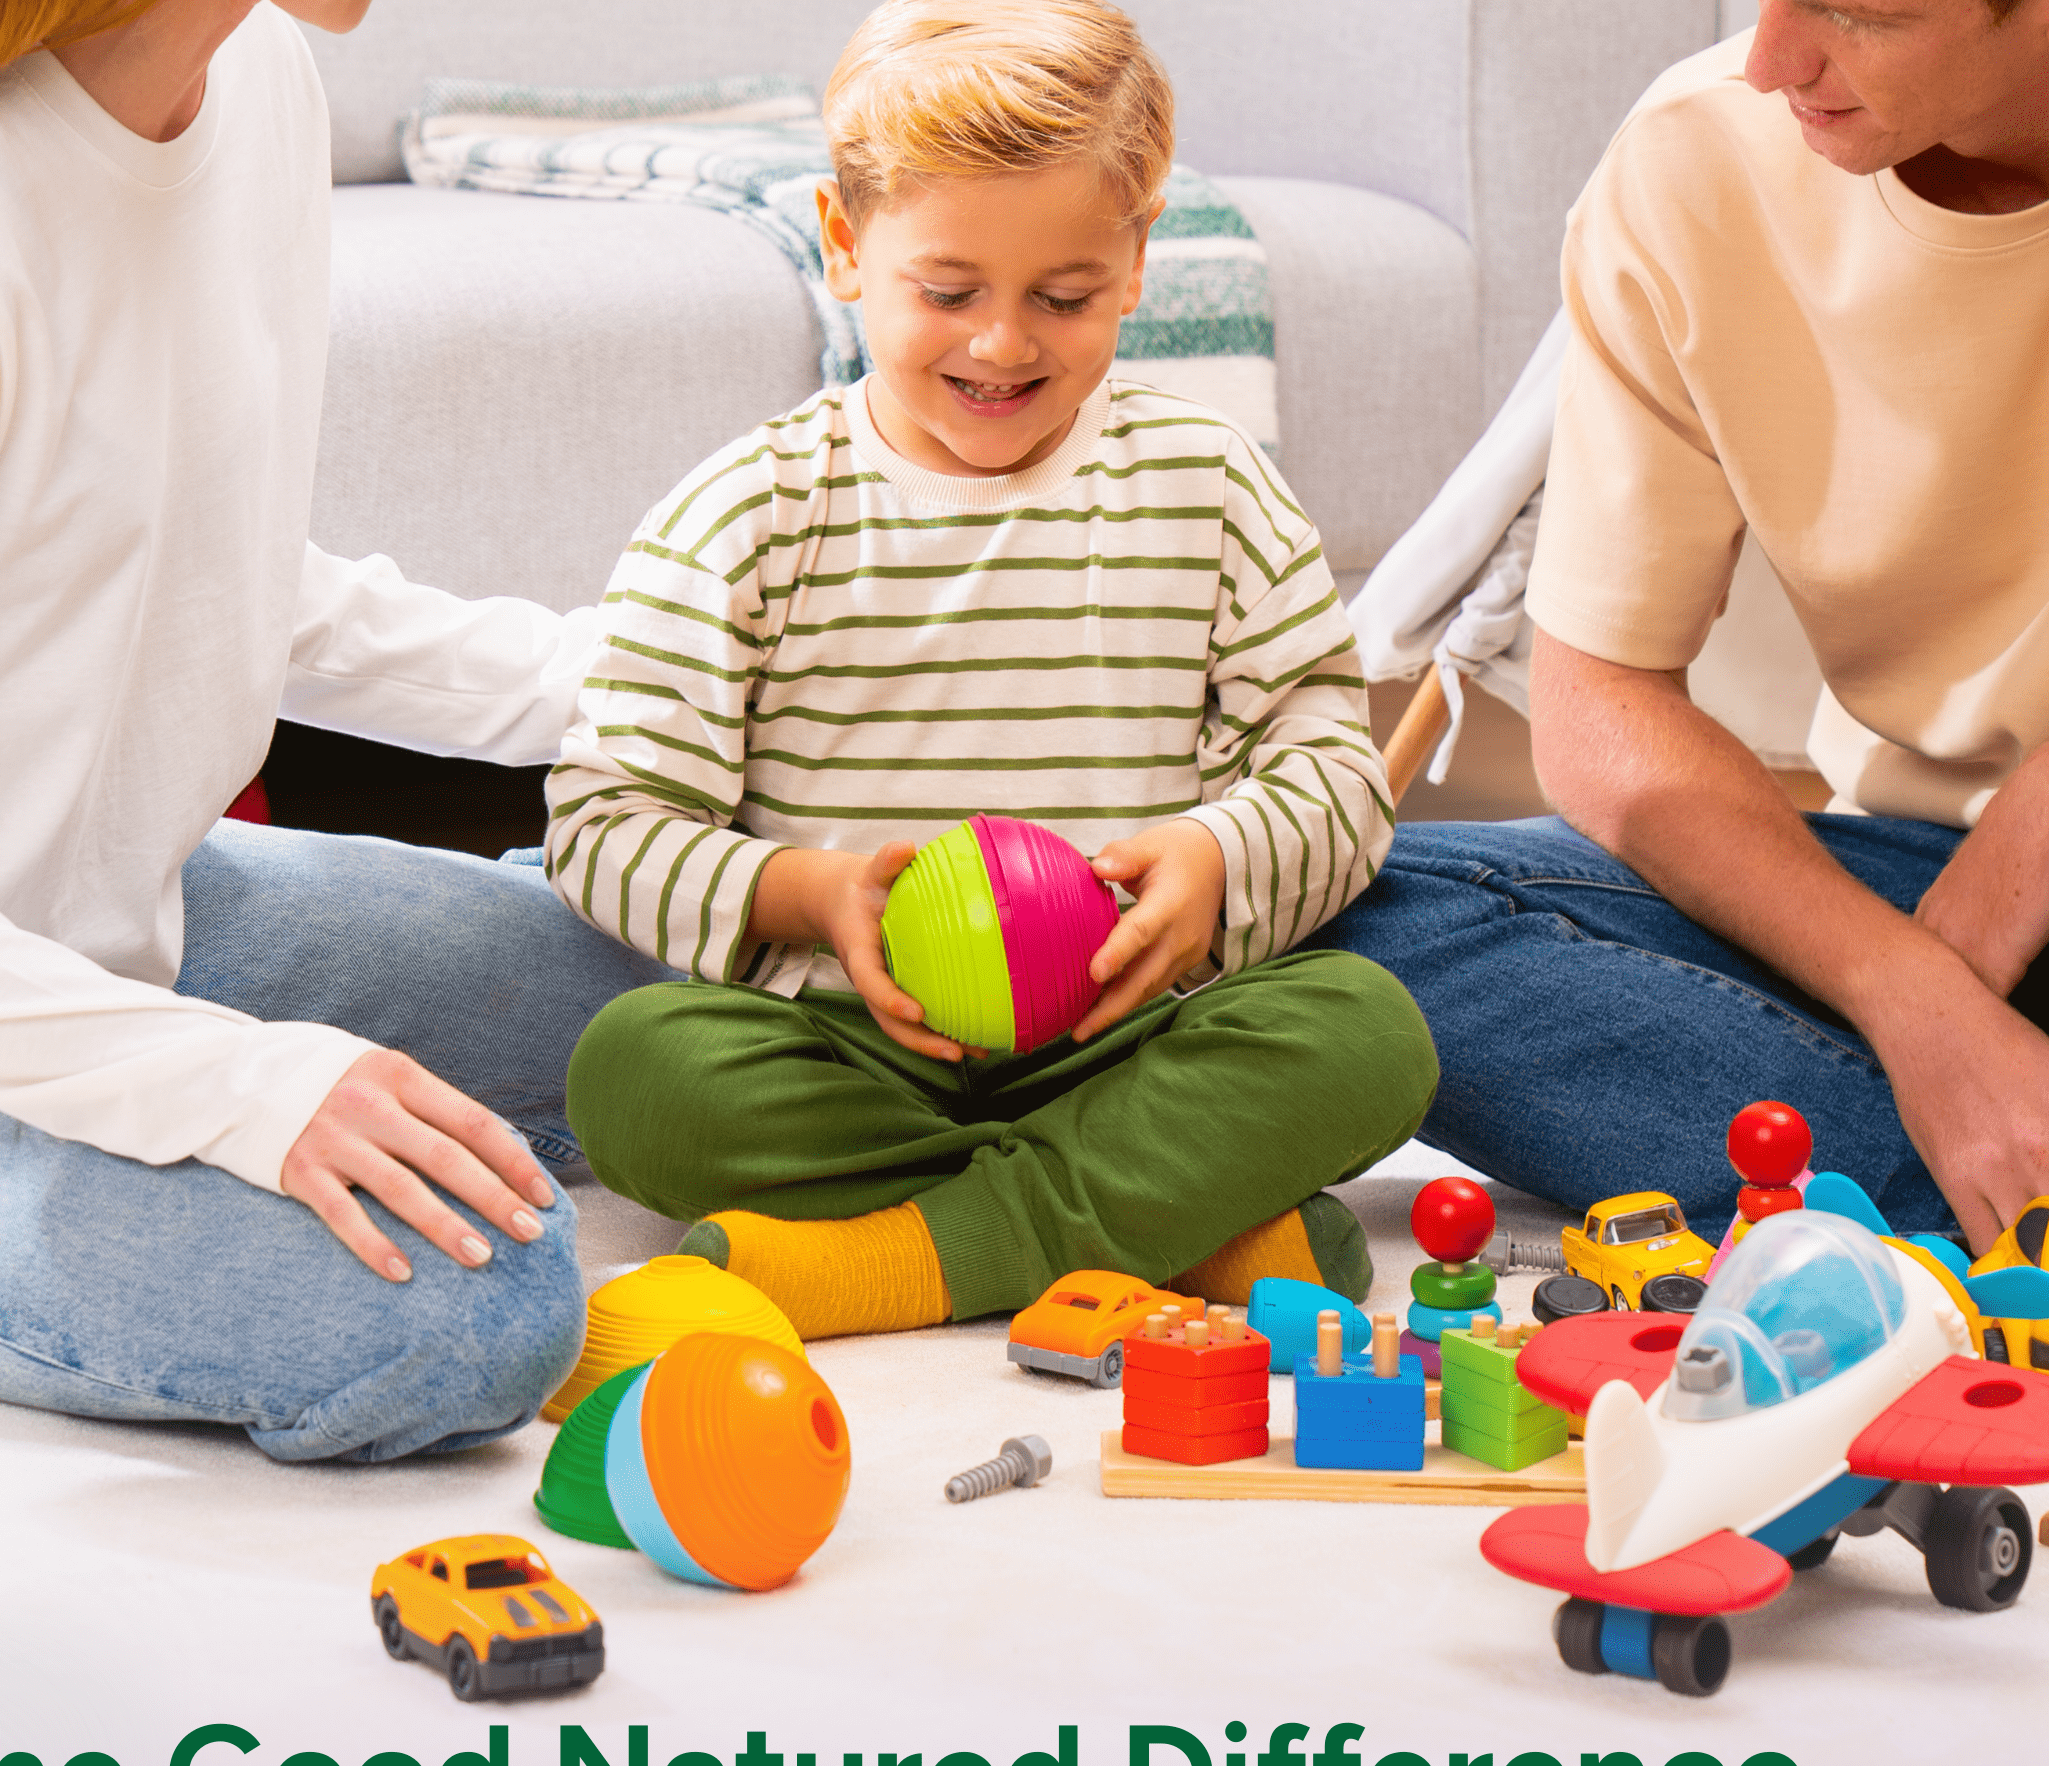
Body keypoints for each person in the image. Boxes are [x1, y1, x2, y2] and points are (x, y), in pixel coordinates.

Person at [0, 0, 666, 1461]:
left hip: (102, 938)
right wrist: (242, 1082)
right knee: (476, 1304)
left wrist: (650, 684)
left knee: (655, 993)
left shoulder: (254, 86)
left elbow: (217, 567)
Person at [545, 0, 1435, 1341]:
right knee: (639, 1077)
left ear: (1136, 263)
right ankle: (1167, 1215)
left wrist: (1212, 857)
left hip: (1127, 1036)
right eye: (948, 292)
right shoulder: (750, 510)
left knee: (1368, 1032)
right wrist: (812, 893)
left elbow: (1333, 772)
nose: (1004, 345)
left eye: (1064, 297)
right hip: (858, 1045)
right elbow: (603, 826)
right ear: (846, 247)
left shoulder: (1209, 487)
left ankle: (906, 1257)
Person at [1326, 0, 2049, 1254]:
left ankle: (1920, 1194)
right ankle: (1988, 1176)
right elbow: (1604, 705)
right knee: (1334, 911)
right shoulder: (1698, 158)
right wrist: (1913, 994)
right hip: (1912, 887)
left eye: (1859, 14)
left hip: (1986, 895)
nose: (1775, 61)